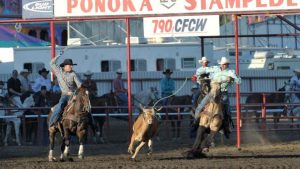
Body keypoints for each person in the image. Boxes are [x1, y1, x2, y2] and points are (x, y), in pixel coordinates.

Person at [194, 56, 241, 138]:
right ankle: (196, 121)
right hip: (212, 91)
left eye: (225, 64)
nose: (223, 66)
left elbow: (239, 81)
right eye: (222, 64)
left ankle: (226, 127)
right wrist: (196, 74)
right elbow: (204, 69)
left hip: (223, 93)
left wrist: (232, 78)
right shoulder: (215, 68)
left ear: (227, 65)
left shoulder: (231, 72)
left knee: (227, 110)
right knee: (201, 104)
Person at [48, 58, 82, 127]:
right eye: (70, 65)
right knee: (60, 106)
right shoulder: (58, 71)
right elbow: (51, 63)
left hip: (73, 96)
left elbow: (79, 85)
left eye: (72, 65)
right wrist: (59, 55)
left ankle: (89, 123)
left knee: (82, 106)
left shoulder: (73, 74)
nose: (72, 67)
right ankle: (51, 123)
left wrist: (76, 94)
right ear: (65, 66)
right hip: (64, 95)